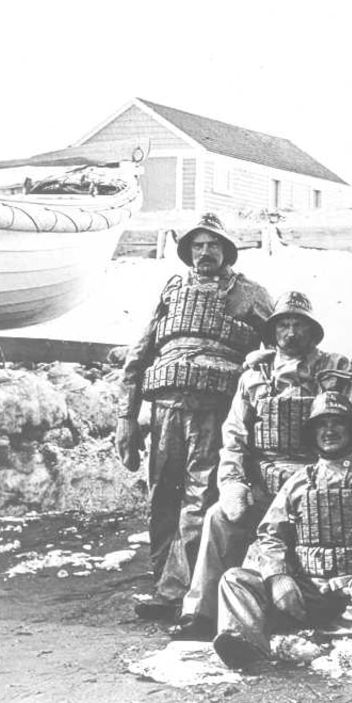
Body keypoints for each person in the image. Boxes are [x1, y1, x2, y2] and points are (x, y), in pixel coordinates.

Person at [168, 290, 352, 640]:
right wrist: (234, 482)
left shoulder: (334, 369)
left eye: (299, 325)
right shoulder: (253, 374)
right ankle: (201, 613)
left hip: (313, 480)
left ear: (313, 332)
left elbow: (348, 428)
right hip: (264, 480)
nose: (291, 333)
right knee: (218, 517)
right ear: (273, 331)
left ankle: (293, 612)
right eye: (284, 325)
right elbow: (234, 435)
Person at [116, 212, 274, 620]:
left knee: (199, 498)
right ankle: (163, 582)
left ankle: (180, 593)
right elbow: (139, 355)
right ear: (188, 251)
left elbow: (282, 341)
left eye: (213, 245)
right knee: (161, 496)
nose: (205, 252)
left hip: (213, 410)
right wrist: (126, 418)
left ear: (226, 251)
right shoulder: (172, 290)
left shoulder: (250, 294)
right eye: (198, 246)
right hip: (166, 407)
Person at [212, 391, 352, 669]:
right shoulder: (298, 482)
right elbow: (270, 535)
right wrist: (278, 577)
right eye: (321, 424)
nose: (329, 431)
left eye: (337, 422)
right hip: (306, 591)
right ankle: (245, 646)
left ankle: (317, 639)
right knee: (235, 580)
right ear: (312, 434)